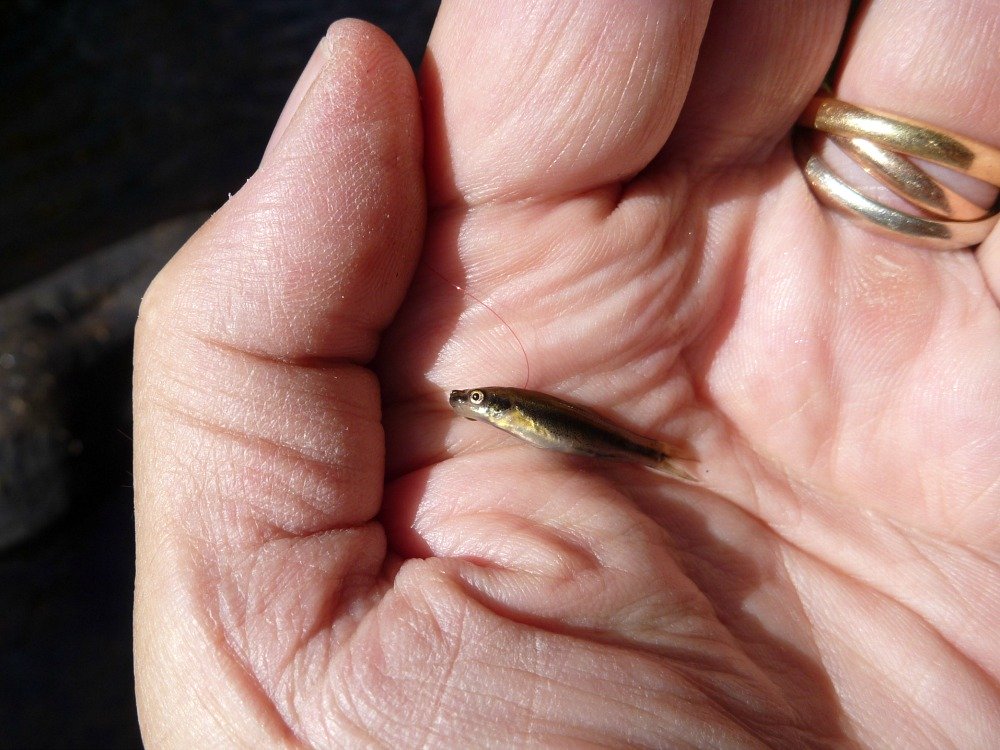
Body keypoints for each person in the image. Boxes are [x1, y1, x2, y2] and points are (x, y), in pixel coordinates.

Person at [132, 1, 1000, 746]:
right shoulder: (508, 412)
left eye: (479, 401)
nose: (476, 405)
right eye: (477, 403)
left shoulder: (506, 407)